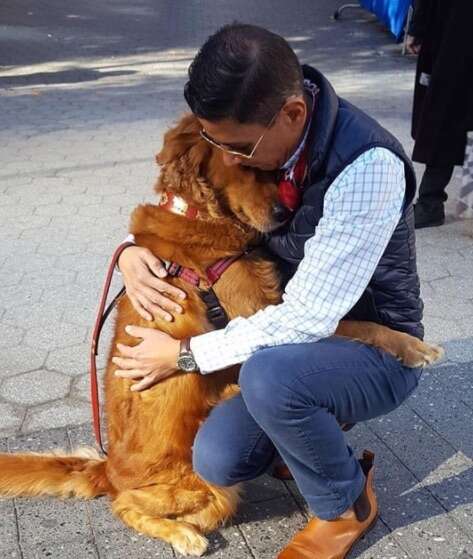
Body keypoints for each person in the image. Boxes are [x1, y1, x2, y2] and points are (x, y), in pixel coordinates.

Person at [112, 24, 424, 559]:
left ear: (294, 115)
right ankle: (299, 432)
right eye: (214, 141)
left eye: (235, 146)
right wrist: (131, 250)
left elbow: (304, 319)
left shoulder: (366, 166)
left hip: (374, 347)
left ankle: (346, 504)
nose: (228, 159)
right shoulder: (261, 140)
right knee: (218, 461)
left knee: (272, 374)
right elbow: (192, 208)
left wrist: (184, 356)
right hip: (289, 339)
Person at [406, 0, 473, 228]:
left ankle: (431, 201)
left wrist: (418, 28)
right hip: (454, 24)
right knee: (449, 108)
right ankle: (437, 200)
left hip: (454, 26)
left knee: (446, 108)